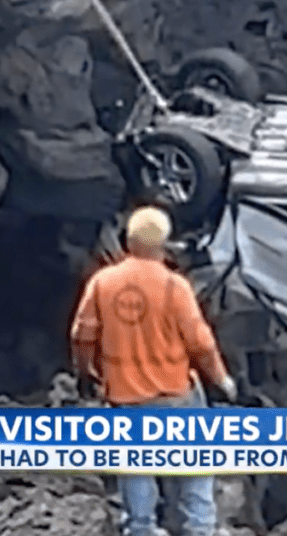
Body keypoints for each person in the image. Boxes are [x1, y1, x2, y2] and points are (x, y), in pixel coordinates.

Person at [70, 205, 238, 536]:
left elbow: (81, 334)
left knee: (135, 469)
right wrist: (222, 380)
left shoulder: (103, 282)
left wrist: (84, 371)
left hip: (125, 398)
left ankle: (141, 528)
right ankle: (199, 528)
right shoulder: (174, 287)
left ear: (128, 241)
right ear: (164, 244)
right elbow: (200, 342)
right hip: (176, 395)